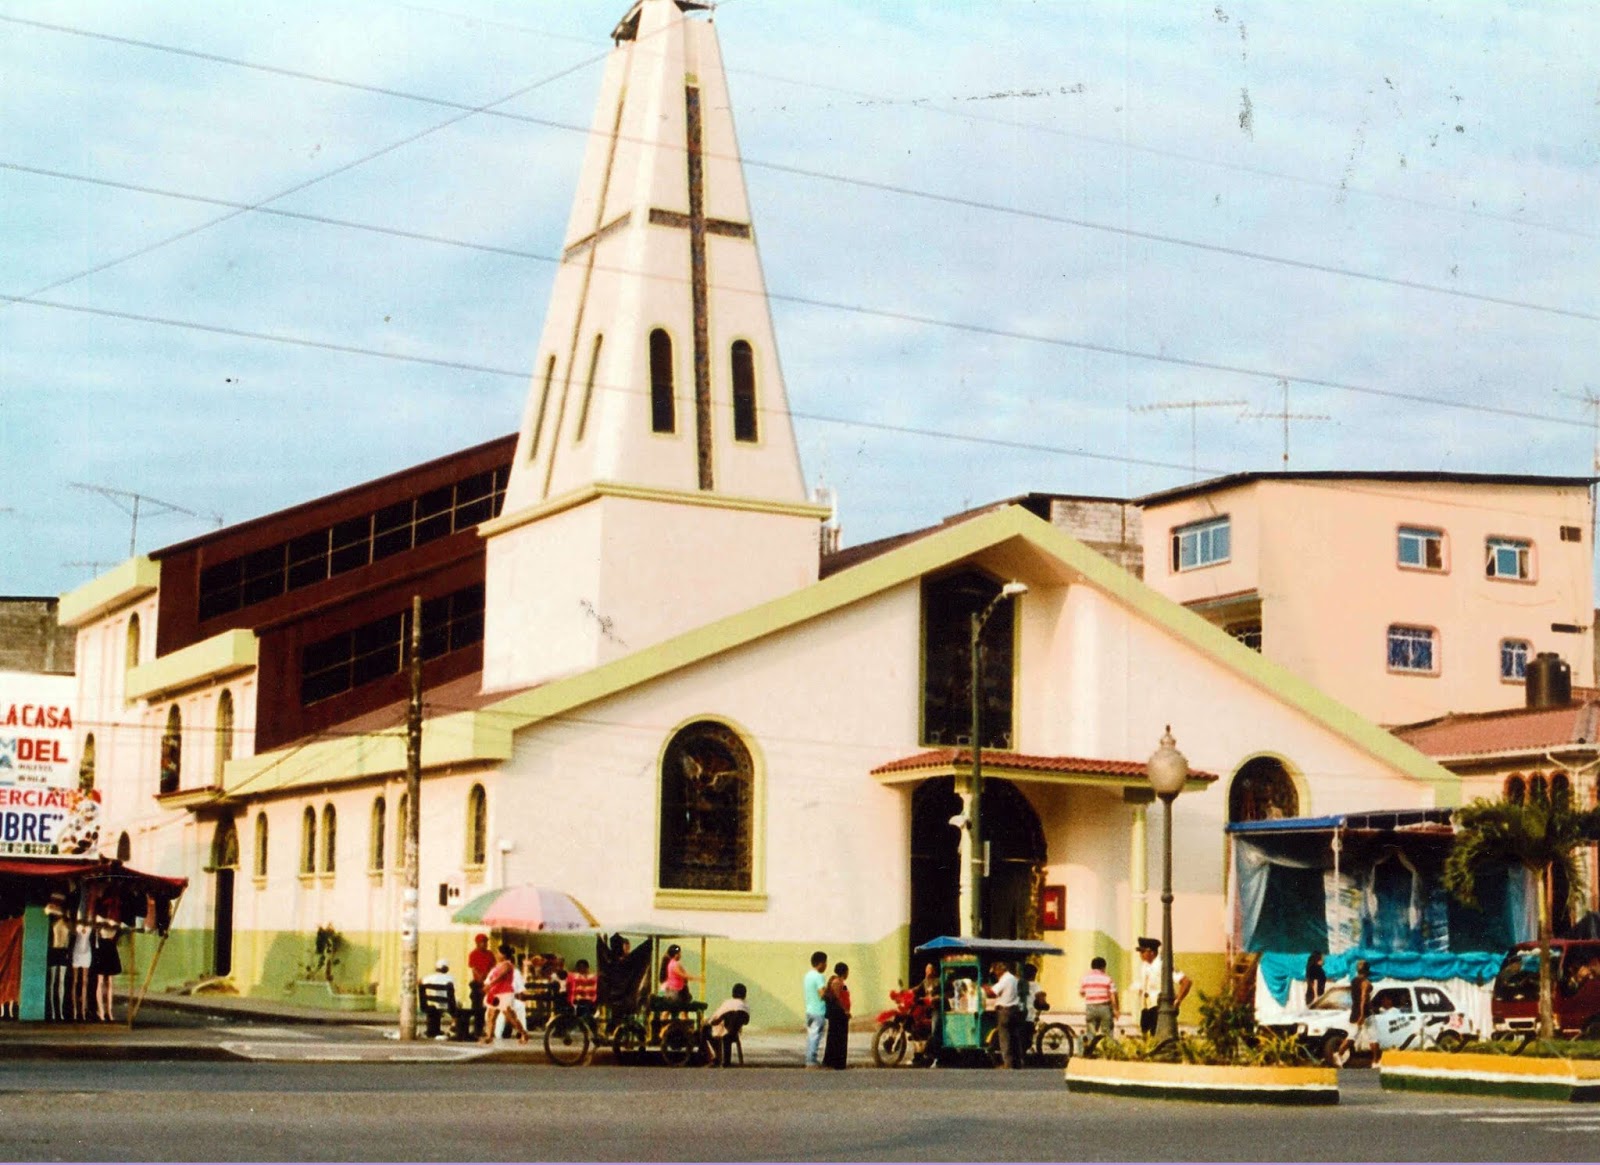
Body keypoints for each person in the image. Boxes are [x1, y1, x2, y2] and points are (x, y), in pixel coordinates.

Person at [1135, 936, 1189, 1036]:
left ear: (1152, 952)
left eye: (1143, 952)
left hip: (1159, 1007)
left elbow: (1186, 982)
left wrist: (1177, 1000)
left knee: (1158, 1036)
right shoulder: (1144, 966)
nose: (1141, 955)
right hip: (1146, 1008)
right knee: (1145, 1037)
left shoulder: (1163, 965)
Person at [479, 943, 528, 1044]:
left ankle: (523, 1033)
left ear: (504, 955)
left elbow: (501, 976)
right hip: (495, 993)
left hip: (504, 993)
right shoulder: (498, 965)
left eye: (498, 953)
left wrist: (490, 985)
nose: (496, 955)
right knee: (491, 1015)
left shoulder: (507, 965)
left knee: (510, 1016)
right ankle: (489, 1036)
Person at [1334, 960, 1374, 1067]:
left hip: (1356, 1012)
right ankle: (1339, 1054)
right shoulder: (1365, 983)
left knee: (1357, 1036)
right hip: (1361, 1014)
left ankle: (1340, 1054)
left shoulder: (1354, 981)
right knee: (1353, 1037)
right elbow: (1363, 999)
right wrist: (1361, 1014)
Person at [985, 960, 1023, 1068]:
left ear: (999, 970)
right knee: (1014, 1037)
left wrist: (984, 988)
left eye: (995, 971)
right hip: (1015, 1010)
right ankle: (1017, 1062)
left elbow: (992, 992)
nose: (995, 974)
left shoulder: (1005, 979)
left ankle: (1008, 1063)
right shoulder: (1014, 979)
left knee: (1005, 1038)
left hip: (1005, 1011)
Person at [703, 982, 751, 1065]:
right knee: (724, 1035)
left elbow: (716, 1017)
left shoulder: (728, 1003)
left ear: (733, 993)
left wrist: (708, 1021)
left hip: (724, 1030)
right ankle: (721, 1058)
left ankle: (716, 1056)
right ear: (745, 994)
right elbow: (746, 1021)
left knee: (705, 1031)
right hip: (735, 1032)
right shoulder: (746, 1006)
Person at [420, 960, 462, 1039]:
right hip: (448, 1005)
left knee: (436, 1007)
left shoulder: (430, 977)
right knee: (459, 1004)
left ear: (436, 968)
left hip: (432, 1004)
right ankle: (454, 1024)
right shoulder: (451, 978)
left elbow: (420, 982)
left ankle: (433, 1030)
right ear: (446, 969)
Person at [1079, 956, 1118, 1041]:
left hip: (1090, 1007)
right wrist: (1115, 1009)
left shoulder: (1085, 978)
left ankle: (1091, 1050)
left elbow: (1082, 993)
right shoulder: (1107, 978)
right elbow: (1113, 995)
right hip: (1104, 1007)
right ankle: (1107, 1049)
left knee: (1091, 1032)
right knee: (1107, 1032)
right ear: (1103, 967)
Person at [91, 919, 122, 1022]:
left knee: (110, 983)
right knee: (100, 982)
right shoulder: (100, 923)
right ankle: (101, 1011)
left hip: (111, 951)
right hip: (103, 950)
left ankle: (109, 1010)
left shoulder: (114, 923)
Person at [822, 962, 851, 1069]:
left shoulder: (841, 983)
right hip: (838, 1014)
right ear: (844, 972)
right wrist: (845, 1010)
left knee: (837, 1038)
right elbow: (839, 998)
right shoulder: (837, 983)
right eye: (847, 971)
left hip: (839, 1014)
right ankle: (836, 1063)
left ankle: (834, 1062)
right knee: (838, 1038)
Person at [802, 950, 828, 1068]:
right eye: (825, 963)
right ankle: (811, 1061)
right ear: (820, 963)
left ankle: (809, 1058)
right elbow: (822, 994)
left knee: (811, 1035)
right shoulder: (819, 976)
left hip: (809, 1010)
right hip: (818, 1011)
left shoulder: (807, 976)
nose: (826, 965)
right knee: (816, 1036)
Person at [466, 933, 494, 1039]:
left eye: (486, 942)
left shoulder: (490, 954)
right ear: (477, 943)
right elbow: (473, 968)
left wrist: (487, 977)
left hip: (487, 983)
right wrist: (480, 978)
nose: (485, 944)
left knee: (484, 1007)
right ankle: (476, 1029)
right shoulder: (473, 954)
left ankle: (482, 1028)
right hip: (477, 983)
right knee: (476, 1006)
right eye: (483, 942)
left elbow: (492, 968)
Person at [659, 943, 691, 1009]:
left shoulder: (667, 963)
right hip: (672, 992)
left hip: (666, 990)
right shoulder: (673, 965)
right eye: (679, 953)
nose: (680, 955)